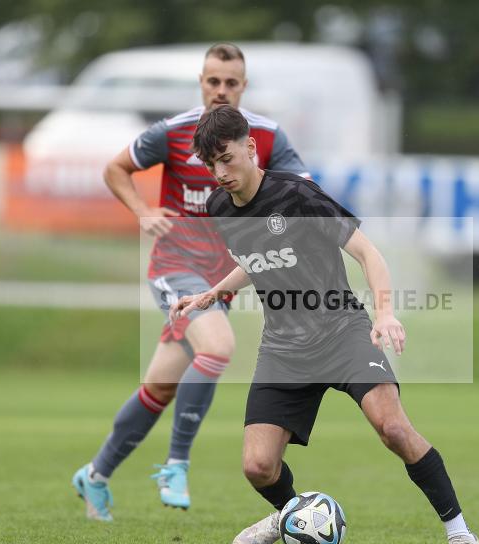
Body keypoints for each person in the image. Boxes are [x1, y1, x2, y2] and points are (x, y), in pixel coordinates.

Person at [171, 105, 479, 544]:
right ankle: (290, 514)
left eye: (227, 159)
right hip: (283, 348)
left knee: (393, 428)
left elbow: (368, 252)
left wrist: (385, 314)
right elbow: (256, 259)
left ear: (250, 148)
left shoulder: (298, 196)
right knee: (258, 466)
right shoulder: (221, 207)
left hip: (341, 330)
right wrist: (212, 293)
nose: (220, 173)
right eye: (211, 164)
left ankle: (461, 534)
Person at [72, 43, 308, 520]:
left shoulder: (265, 136)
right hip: (174, 267)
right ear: (201, 82)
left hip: (218, 281)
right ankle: (177, 463)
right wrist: (142, 211)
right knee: (218, 347)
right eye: (212, 81)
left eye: (231, 82)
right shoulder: (174, 132)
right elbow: (115, 168)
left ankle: (94, 474)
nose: (221, 90)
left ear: (244, 87)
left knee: (159, 388)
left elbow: (301, 190)